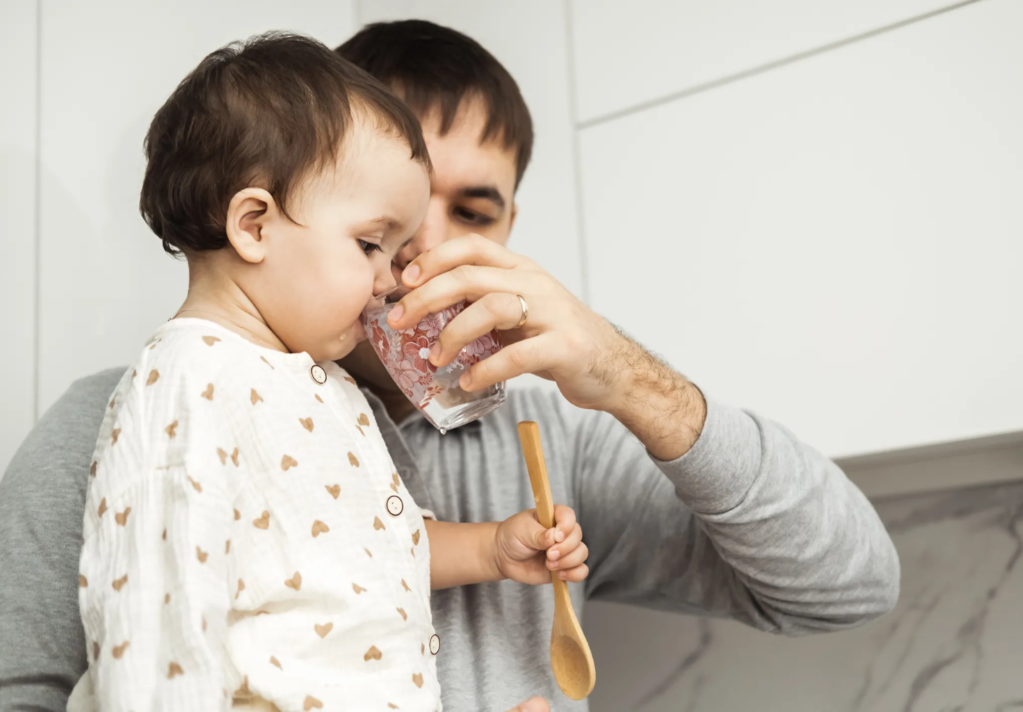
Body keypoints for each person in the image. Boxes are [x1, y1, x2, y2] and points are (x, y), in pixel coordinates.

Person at [0, 19, 900, 712]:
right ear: (268, 210)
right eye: (383, 224)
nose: (414, 260)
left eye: (474, 212)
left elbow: (850, 586)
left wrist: (624, 374)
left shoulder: (550, 435)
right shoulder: (132, 413)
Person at [66, 33, 589, 712]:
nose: (390, 278)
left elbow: (369, 545)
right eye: (372, 244)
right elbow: (155, 614)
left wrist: (492, 549)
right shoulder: (187, 383)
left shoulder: (326, 385)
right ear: (254, 225)